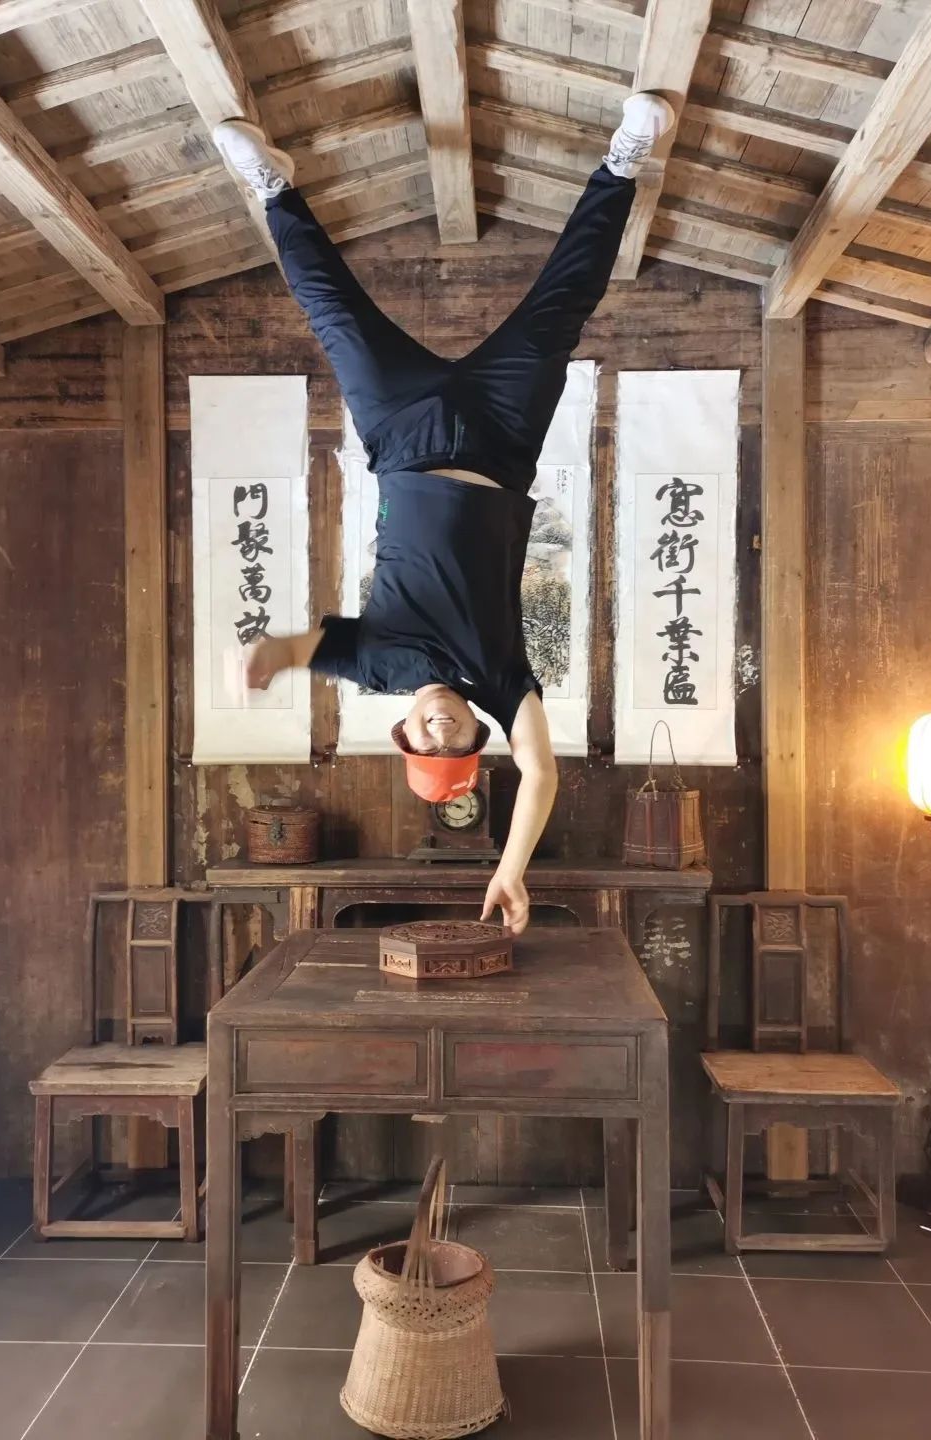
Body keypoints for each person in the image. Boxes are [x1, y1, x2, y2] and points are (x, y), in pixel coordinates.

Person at [213, 94, 675, 933]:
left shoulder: (376, 664)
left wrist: (260, 660)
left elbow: (286, 649)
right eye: (453, 746)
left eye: (422, 745)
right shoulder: (501, 680)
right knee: (558, 313)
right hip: (501, 443)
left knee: (335, 319)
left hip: (400, 435)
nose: (436, 737)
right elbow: (540, 773)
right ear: (472, 736)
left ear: (402, 729)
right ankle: (621, 167)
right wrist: (510, 871)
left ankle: (274, 190)